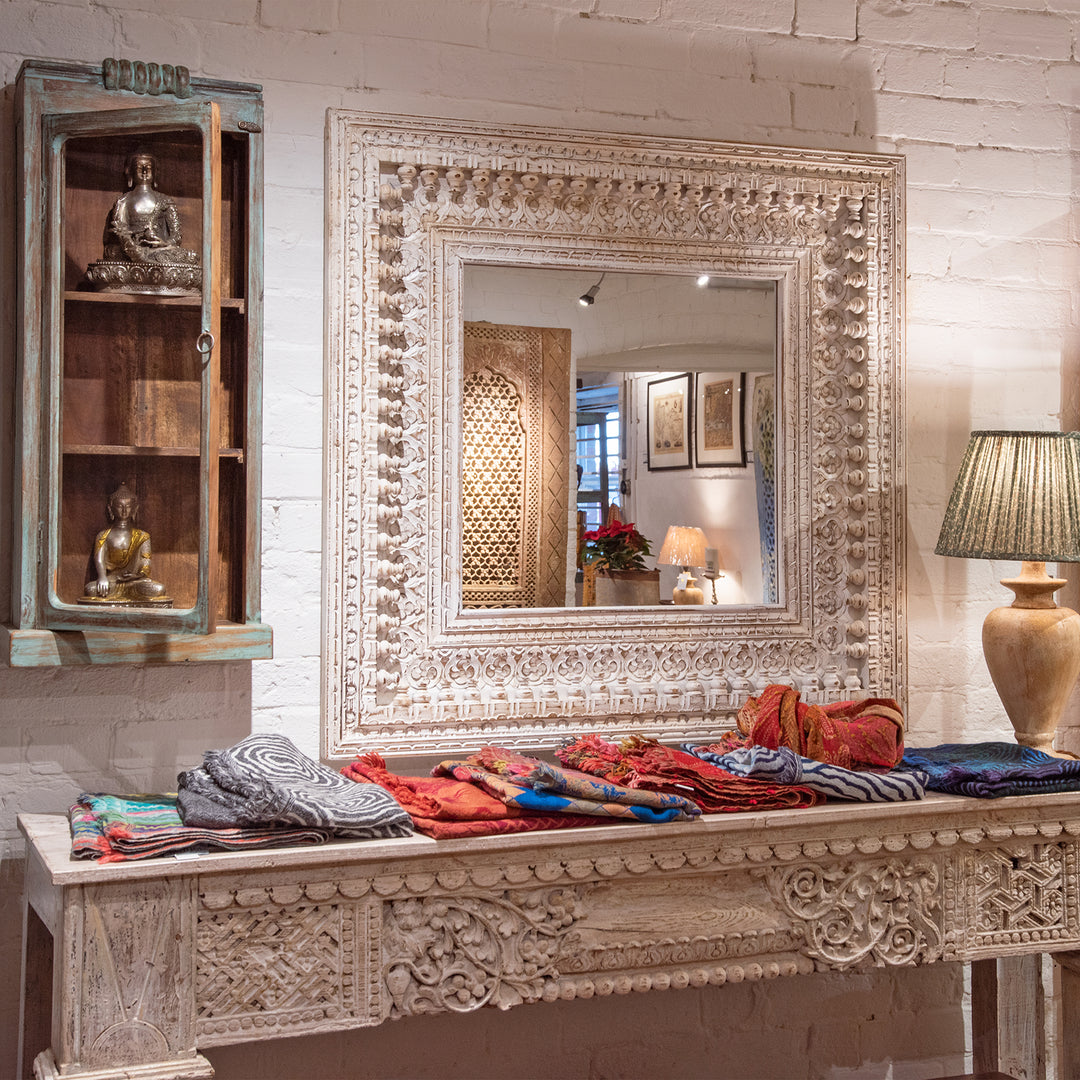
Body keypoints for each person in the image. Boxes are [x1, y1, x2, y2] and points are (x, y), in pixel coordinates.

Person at [102, 152, 199, 266]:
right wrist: (130, 243)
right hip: (129, 251)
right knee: (112, 252)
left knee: (190, 256)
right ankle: (144, 262)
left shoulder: (165, 200)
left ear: (155, 172)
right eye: (139, 168)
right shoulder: (123, 201)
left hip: (158, 251)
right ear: (131, 172)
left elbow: (176, 236)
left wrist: (163, 243)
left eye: (148, 168)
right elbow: (119, 229)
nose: (144, 172)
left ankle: (146, 262)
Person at [82, 483, 171, 605]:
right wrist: (102, 577)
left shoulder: (142, 536)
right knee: (91, 589)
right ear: (110, 508)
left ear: (135, 509)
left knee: (159, 589)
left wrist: (136, 575)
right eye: (119, 506)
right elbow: (99, 560)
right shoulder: (103, 536)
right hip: (111, 582)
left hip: (134, 582)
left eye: (128, 506)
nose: (124, 510)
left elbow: (146, 561)